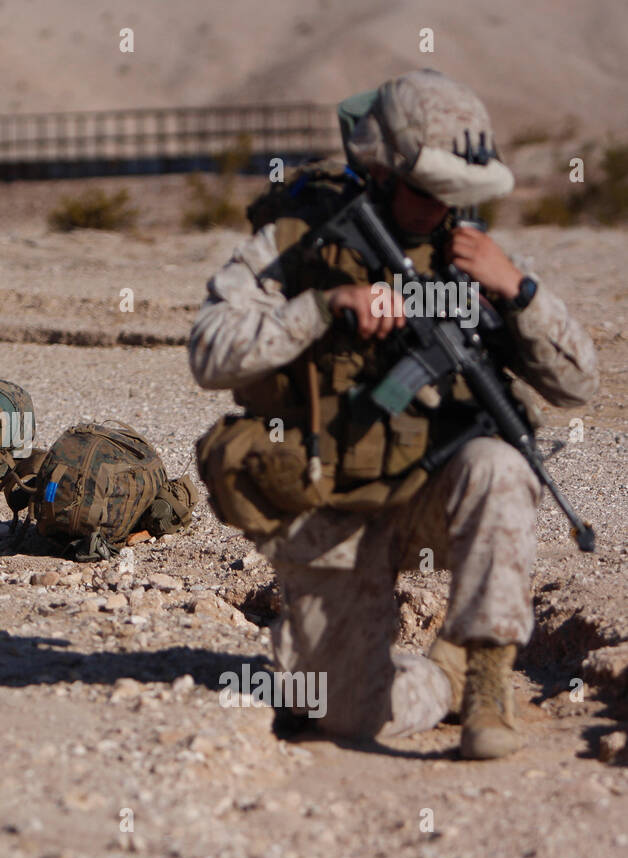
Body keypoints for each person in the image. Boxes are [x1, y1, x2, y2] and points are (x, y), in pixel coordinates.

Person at [188, 70, 598, 759]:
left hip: (430, 490)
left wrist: (516, 289)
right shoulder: (299, 241)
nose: (439, 210)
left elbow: (578, 381)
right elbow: (210, 352)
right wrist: (323, 308)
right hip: (329, 503)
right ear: (379, 169)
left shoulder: (471, 253)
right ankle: (443, 676)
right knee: (342, 717)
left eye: (454, 196)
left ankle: (490, 678)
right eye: (424, 191)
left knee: (501, 463)